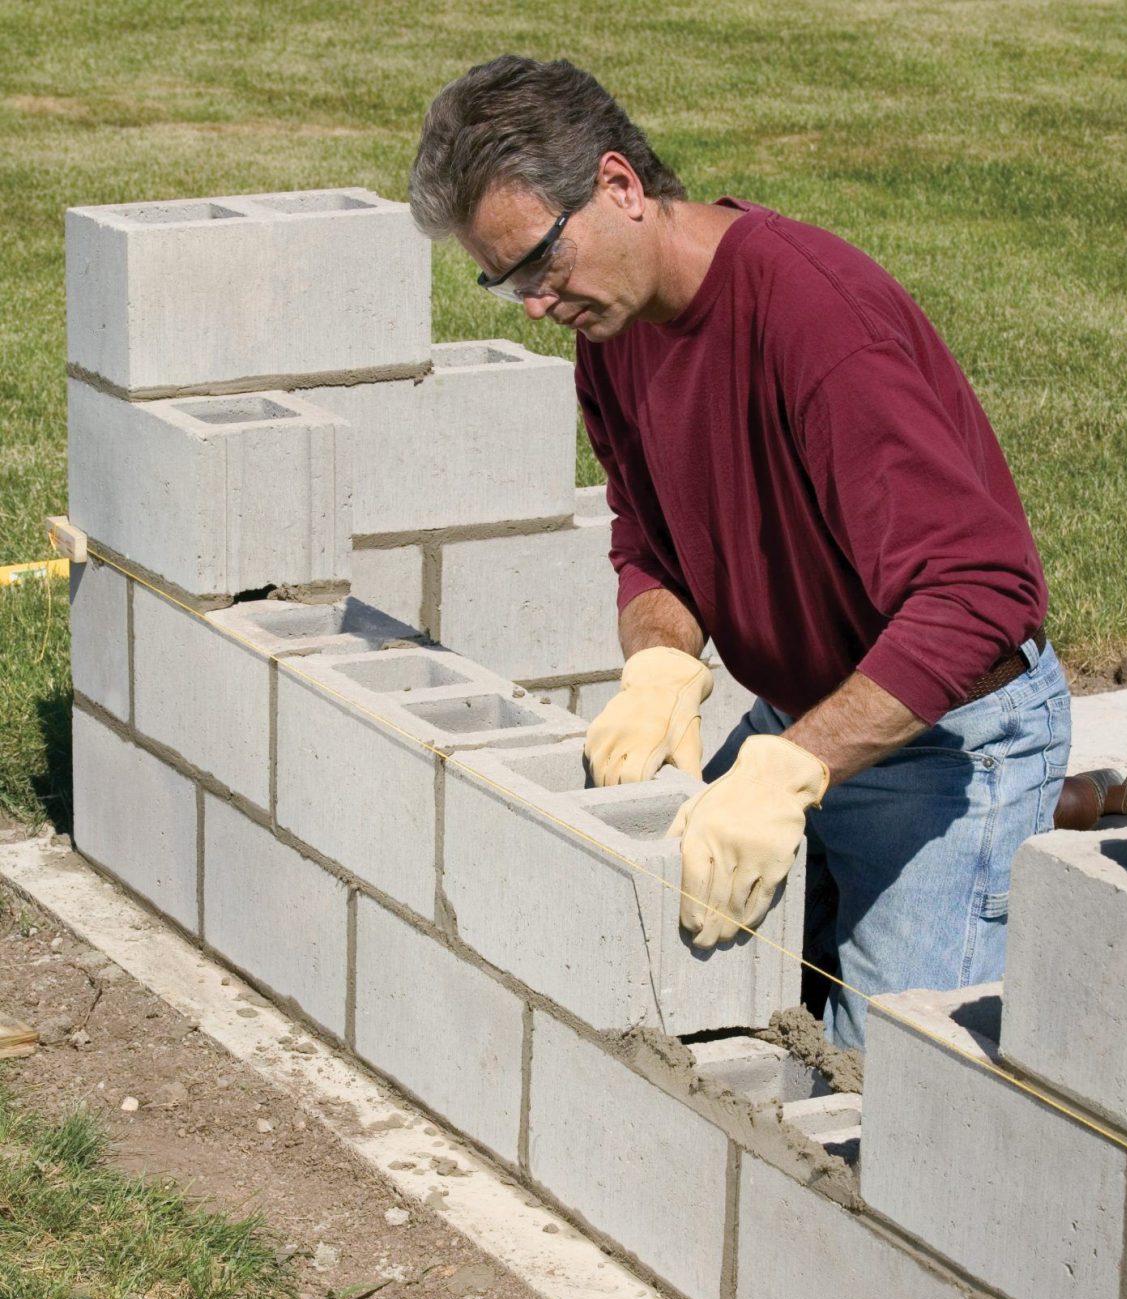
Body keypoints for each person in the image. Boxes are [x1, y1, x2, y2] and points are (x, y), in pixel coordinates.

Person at [409, 55, 1071, 1048]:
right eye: (506, 287)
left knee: (884, 1098)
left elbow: (980, 591)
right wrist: (660, 664)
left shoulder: (811, 318)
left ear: (619, 186)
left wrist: (785, 772)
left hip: (947, 745)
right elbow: (650, 546)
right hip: (801, 719)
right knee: (643, 957)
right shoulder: (613, 331)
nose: (538, 306)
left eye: (539, 266)